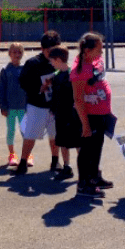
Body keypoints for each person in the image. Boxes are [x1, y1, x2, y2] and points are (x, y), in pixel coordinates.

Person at [70, 33, 117, 197]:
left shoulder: (94, 63)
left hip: (100, 114)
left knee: (96, 149)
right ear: (88, 51)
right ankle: (84, 184)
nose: (102, 53)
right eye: (99, 49)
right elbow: (78, 99)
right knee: (87, 152)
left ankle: (94, 177)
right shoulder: (79, 71)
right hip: (89, 117)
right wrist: (85, 125)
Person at [12, 30, 62, 175]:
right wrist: (37, 88)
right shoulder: (33, 63)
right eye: (49, 51)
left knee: (54, 136)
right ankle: (22, 162)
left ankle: (55, 160)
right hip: (37, 105)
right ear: (42, 49)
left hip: (53, 106)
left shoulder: (58, 61)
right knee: (30, 135)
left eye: (55, 50)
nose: (52, 54)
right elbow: (23, 82)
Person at [46, 46, 76, 182]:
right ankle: (67, 166)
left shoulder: (73, 74)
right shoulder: (56, 76)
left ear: (58, 59)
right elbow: (55, 95)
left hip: (72, 114)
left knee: (78, 142)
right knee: (62, 141)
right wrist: (53, 109)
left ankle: (85, 170)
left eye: (52, 61)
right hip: (60, 114)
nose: (51, 63)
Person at [0, 43, 27, 167]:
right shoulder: (5, 70)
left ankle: (27, 155)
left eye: (19, 52)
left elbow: (30, 89)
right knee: (11, 131)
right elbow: (1, 90)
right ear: (9, 54)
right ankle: (12, 154)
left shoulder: (25, 69)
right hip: (10, 108)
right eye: (14, 52)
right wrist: (2, 106)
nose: (17, 55)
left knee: (25, 132)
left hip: (24, 108)